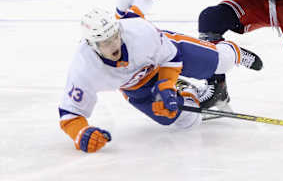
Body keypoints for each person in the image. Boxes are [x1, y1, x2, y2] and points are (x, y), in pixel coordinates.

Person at [58, 8, 263, 153]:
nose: (113, 45)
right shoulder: (84, 67)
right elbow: (70, 114)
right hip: (138, 86)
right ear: (92, 44)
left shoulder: (139, 32)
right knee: (186, 122)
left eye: (114, 37)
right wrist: (81, 134)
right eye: (104, 42)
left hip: (165, 56)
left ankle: (233, 51)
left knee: (221, 63)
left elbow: (172, 58)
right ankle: (187, 91)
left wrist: (165, 86)